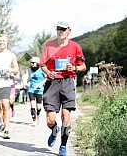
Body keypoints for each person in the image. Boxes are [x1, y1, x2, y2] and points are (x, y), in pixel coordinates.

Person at [40, 21, 86, 156]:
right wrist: (48, 72)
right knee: (51, 120)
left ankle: (63, 146)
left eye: (63, 29)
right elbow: (43, 65)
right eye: (58, 29)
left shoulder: (75, 46)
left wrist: (75, 68)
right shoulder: (49, 45)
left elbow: (83, 66)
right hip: (52, 82)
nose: (60, 31)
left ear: (69, 31)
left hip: (67, 82)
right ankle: (54, 131)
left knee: (66, 117)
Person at [27, 56, 46, 126]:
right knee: (32, 105)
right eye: (31, 63)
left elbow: (46, 77)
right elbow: (29, 77)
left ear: (38, 63)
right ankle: (34, 120)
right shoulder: (29, 70)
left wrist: (41, 83)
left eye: (33, 63)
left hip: (39, 90)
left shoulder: (42, 70)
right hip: (31, 89)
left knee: (38, 107)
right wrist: (26, 82)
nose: (32, 64)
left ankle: (38, 115)